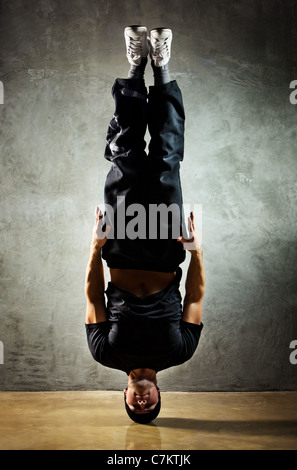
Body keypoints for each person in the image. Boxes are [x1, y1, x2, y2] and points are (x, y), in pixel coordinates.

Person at [85, 26, 205, 424]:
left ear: (124, 395)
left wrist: (95, 247)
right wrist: (197, 252)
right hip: (165, 249)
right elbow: (194, 299)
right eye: (149, 406)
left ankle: (136, 66)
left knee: (126, 158)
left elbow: (93, 299)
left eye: (134, 406)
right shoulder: (179, 353)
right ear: (157, 397)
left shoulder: (105, 354)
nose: (141, 402)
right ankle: (163, 65)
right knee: (167, 159)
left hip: (119, 243)